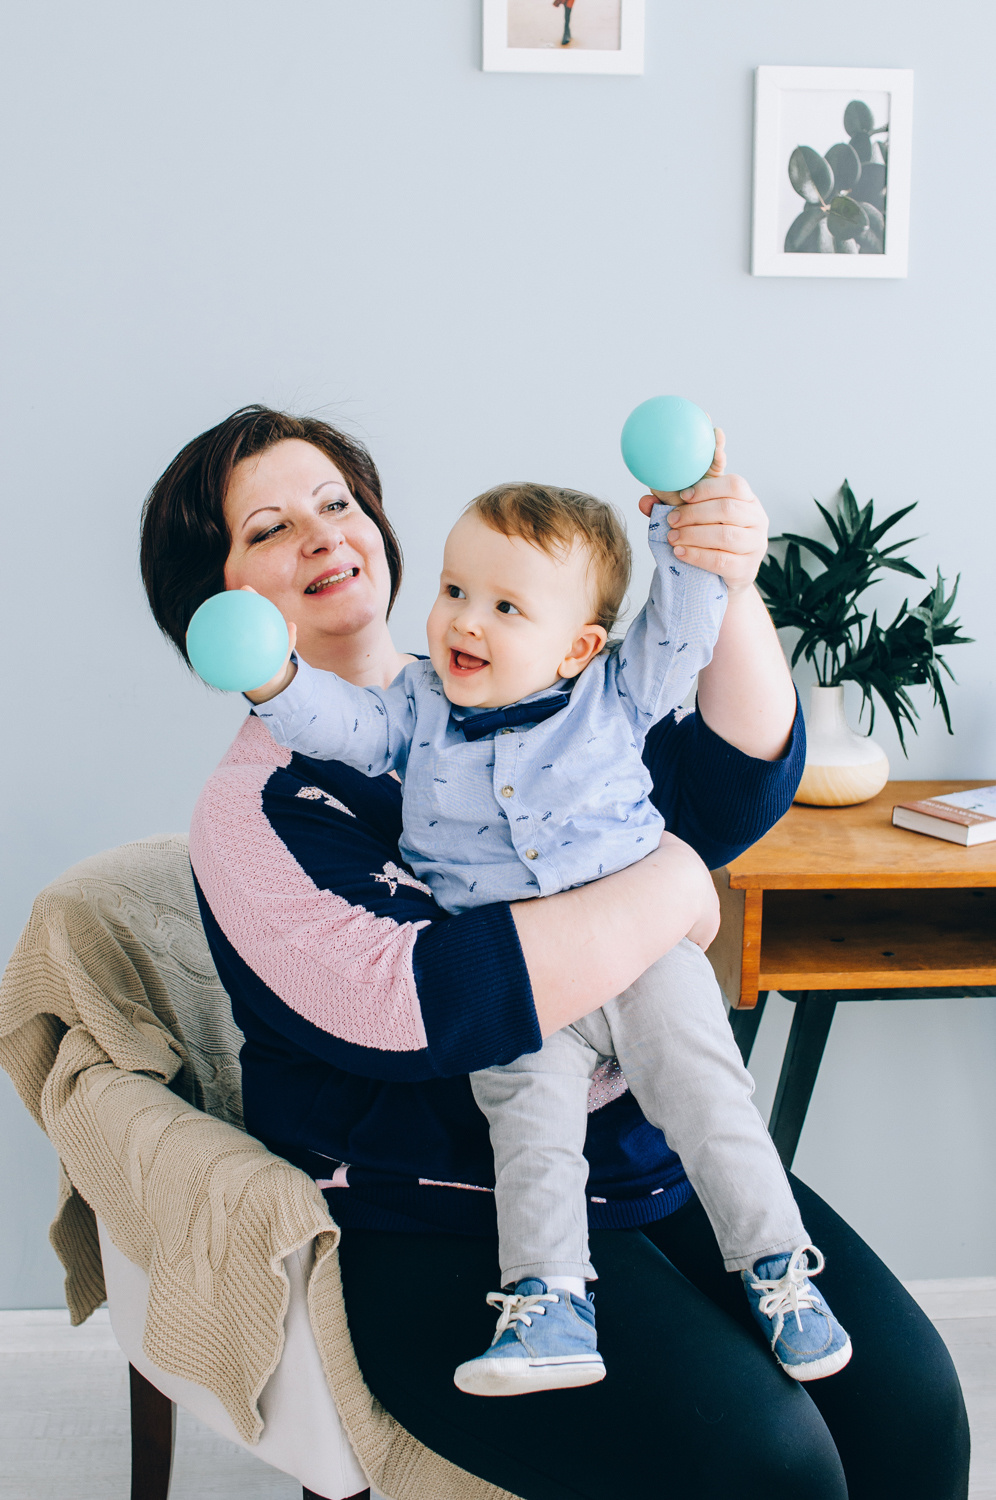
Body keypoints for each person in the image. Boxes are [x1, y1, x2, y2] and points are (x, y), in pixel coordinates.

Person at [140, 405, 969, 1500]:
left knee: (916, 1415)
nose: (322, 534)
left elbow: (731, 779)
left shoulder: (527, 683)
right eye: (267, 528)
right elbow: (427, 1005)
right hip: (432, 1215)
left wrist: (728, 574)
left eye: (336, 501)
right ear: (217, 599)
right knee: (769, 1466)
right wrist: (674, 883)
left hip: (641, 1163)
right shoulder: (254, 809)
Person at [244, 477, 849, 1394]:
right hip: (528, 988)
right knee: (530, 1137)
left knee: (710, 1103)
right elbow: (343, 725)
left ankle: (779, 1272)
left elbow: (683, 625)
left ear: (579, 646)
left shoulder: (616, 692)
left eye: (505, 606)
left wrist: (683, 530)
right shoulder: (416, 707)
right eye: (453, 591)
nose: (464, 622)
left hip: (647, 961)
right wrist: (277, 682)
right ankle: (549, 1307)